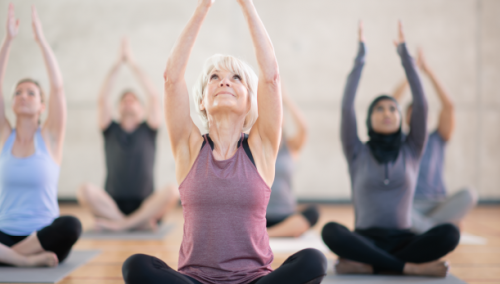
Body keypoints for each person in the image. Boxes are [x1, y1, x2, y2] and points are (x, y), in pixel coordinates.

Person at [121, 0, 327, 283]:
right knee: (136, 265)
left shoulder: (261, 147)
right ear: (202, 102)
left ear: (249, 101)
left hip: (253, 279)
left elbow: (271, 78)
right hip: (196, 279)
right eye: (214, 78)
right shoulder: (189, 147)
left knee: (314, 261)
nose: (224, 82)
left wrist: (246, 5)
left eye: (236, 78)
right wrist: (203, 7)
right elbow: (172, 79)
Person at [321, 21, 460, 277]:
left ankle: (371, 265)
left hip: (403, 240)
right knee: (330, 231)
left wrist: (406, 58)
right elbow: (346, 107)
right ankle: (407, 268)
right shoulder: (356, 150)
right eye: (379, 108)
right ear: (369, 118)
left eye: (393, 108)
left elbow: (422, 106)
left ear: (400, 117)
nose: (387, 112)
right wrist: (360, 58)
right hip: (365, 239)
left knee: (450, 233)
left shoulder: (413, 148)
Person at [0, 4, 81, 267]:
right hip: (5, 234)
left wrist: (42, 41)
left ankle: (10, 258)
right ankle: (25, 261)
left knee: (71, 225)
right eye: (18, 93)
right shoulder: (4, 137)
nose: (23, 96)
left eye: (31, 93)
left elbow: (57, 89)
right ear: (11, 103)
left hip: (44, 237)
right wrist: (8, 41)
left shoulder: (50, 138)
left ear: (42, 107)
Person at [76, 38, 178, 232]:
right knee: (84, 191)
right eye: (124, 100)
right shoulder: (110, 129)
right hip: (111, 204)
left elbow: (154, 96)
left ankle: (120, 225)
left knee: (172, 191)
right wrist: (117, 65)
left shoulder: (149, 129)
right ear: (118, 109)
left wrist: (132, 63)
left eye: (133, 100)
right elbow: (103, 98)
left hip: (146, 204)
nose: (129, 102)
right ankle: (131, 224)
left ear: (142, 110)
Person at [392, 48, 478, 234]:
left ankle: (422, 229)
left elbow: (449, 106)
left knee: (469, 195)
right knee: (391, 207)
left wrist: (429, 72)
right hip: (410, 205)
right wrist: (412, 74)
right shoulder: (399, 140)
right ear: (405, 118)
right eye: (413, 113)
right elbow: (391, 102)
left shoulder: (438, 138)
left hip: (438, 204)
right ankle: (436, 230)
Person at [266, 89, 319, 238]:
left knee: (313, 212)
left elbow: (304, 128)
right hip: (259, 216)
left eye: (279, 112)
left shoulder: (290, 146)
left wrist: (285, 98)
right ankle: (281, 232)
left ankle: (267, 234)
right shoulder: (254, 145)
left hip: (286, 215)